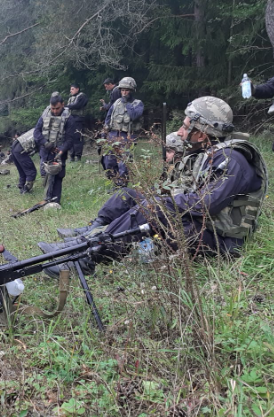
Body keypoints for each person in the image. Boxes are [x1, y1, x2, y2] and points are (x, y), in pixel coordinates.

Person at [41, 96, 267, 277]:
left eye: (185, 126)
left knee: (155, 209)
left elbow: (206, 204)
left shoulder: (232, 160)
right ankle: (87, 237)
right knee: (129, 194)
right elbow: (185, 191)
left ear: (201, 132)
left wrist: (160, 203)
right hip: (201, 226)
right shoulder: (207, 154)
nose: (180, 131)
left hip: (221, 240)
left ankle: (88, 257)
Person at [33, 93, 75, 205]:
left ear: (63, 104)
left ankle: (56, 201)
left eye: (57, 108)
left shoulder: (69, 118)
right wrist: (45, 143)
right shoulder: (45, 114)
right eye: (53, 108)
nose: (55, 111)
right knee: (45, 173)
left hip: (60, 151)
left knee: (58, 175)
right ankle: (46, 199)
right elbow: (36, 132)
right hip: (45, 149)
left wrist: (61, 150)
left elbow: (70, 139)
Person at [102, 77, 144, 187]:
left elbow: (134, 116)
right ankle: (115, 183)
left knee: (123, 164)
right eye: (122, 90)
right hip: (113, 134)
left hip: (127, 136)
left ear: (132, 91)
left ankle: (122, 186)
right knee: (108, 161)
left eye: (127, 90)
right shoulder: (116, 102)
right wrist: (104, 131)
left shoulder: (137, 103)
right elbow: (108, 116)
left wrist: (127, 103)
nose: (124, 93)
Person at [11, 128, 38, 193]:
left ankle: (21, 185)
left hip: (14, 147)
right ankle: (26, 189)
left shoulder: (35, 129)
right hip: (21, 150)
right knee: (31, 171)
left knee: (22, 170)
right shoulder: (43, 133)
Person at [67, 83, 89, 162]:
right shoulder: (71, 98)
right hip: (71, 119)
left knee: (78, 137)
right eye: (70, 89)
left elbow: (77, 105)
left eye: (72, 89)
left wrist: (66, 106)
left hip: (78, 119)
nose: (71, 91)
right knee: (70, 138)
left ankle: (78, 156)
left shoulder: (82, 96)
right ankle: (71, 156)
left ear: (77, 89)